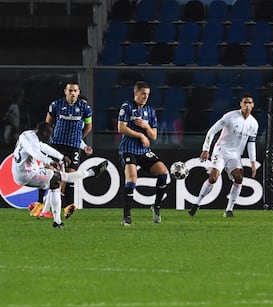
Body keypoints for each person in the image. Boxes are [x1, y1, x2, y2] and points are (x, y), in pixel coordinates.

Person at [12, 121, 108, 228]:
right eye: (49, 134)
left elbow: (42, 147)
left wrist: (61, 156)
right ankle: (92, 173)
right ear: (43, 133)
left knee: (56, 181)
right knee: (58, 179)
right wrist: (50, 161)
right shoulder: (33, 142)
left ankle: (50, 214)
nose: (50, 137)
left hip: (19, 172)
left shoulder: (27, 134)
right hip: (27, 174)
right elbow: (36, 153)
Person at [188, 93, 259, 218]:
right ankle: (196, 203)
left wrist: (253, 161)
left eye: (249, 103)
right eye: (245, 103)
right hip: (221, 151)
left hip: (235, 155)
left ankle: (229, 210)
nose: (247, 105)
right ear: (241, 104)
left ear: (253, 105)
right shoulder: (230, 117)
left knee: (239, 178)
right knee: (214, 178)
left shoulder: (254, 123)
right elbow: (212, 130)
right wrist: (206, 149)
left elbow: (251, 142)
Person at [118, 81, 170, 225]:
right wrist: (140, 135)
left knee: (163, 173)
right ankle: (126, 217)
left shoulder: (150, 111)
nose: (145, 97)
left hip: (144, 151)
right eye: (143, 94)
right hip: (128, 149)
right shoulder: (127, 106)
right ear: (136, 93)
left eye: (147, 94)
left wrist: (146, 126)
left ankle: (156, 207)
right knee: (132, 179)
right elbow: (121, 128)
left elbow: (153, 136)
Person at [45, 82, 93, 219]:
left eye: (75, 91)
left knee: (71, 176)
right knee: (52, 175)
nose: (72, 93)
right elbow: (48, 123)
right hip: (56, 144)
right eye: (70, 90)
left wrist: (78, 139)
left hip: (73, 147)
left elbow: (88, 126)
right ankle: (43, 206)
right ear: (65, 91)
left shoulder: (85, 108)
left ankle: (68, 206)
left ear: (78, 92)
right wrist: (49, 138)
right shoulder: (56, 105)